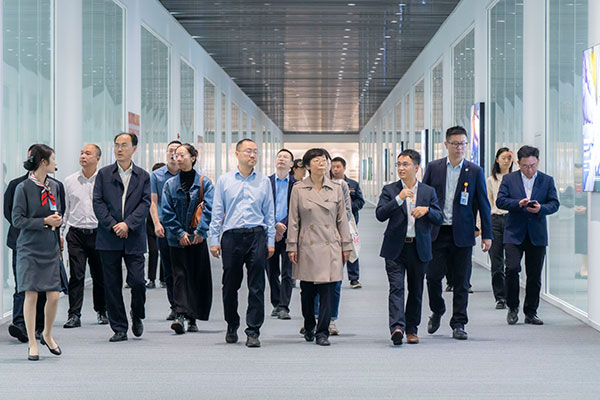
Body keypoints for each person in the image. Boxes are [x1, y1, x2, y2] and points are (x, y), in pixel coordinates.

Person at [422, 126, 492, 340]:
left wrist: (487, 234)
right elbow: (423, 197)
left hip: (462, 233)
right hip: (437, 232)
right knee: (433, 277)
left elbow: (483, 204)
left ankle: (459, 323)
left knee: (462, 281)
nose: (460, 147)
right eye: (455, 144)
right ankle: (437, 309)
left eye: (463, 144)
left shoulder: (475, 171)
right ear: (446, 144)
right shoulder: (434, 168)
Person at [209, 139, 275, 348]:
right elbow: (217, 211)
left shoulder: (263, 181)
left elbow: (269, 213)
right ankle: (232, 324)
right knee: (230, 285)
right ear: (237, 154)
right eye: (248, 151)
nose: (253, 155)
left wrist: (270, 240)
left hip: (257, 235)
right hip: (232, 237)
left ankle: (253, 331)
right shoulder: (224, 180)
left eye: (255, 151)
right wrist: (214, 239)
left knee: (257, 286)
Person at [376, 149, 443, 345]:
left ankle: (412, 329)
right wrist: (399, 199)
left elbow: (439, 217)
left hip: (419, 247)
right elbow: (380, 214)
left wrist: (427, 210)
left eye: (405, 164)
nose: (401, 168)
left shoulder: (428, 191)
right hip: (395, 248)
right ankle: (397, 328)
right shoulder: (390, 190)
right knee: (396, 288)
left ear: (416, 167)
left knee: (416, 290)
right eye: (398, 164)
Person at [287, 148, 352, 346]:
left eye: (324, 159)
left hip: (330, 243)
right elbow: (294, 220)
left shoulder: (336, 188)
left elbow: (342, 219)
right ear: (307, 166)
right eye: (316, 160)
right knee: (307, 290)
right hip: (307, 243)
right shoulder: (299, 189)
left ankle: (322, 332)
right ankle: (309, 325)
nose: (321, 163)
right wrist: (292, 245)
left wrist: (346, 245)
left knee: (328, 290)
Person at [4, 145, 65, 343]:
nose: (56, 162)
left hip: (49, 244)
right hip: (25, 244)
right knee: (25, 287)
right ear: (42, 161)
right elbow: (13, 216)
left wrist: (56, 225)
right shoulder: (19, 186)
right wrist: (43, 222)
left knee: (50, 292)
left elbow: (60, 210)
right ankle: (21, 325)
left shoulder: (55, 186)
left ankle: (42, 329)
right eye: (53, 158)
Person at [93, 132, 151, 342]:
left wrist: (128, 224)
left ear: (134, 149)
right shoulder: (104, 174)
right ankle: (119, 327)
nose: (119, 149)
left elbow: (145, 203)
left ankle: (137, 313)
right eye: (117, 145)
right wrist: (113, 225)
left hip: (134, 237)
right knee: (112, 284)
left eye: (124, 145)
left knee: (138, 282)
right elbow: (98, 202)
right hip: (109, 237)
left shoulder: (143, 176)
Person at [496, 145, 560, 325]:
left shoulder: (547, 180)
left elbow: (554, 203)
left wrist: (541, 209)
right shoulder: (509, 179)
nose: (529, 169)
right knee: (512, 269)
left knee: (534, 275)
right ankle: (512, 307)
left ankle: (531, 312)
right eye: (525, 166)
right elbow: (500, 201)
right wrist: (517, 203)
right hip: (514, 233)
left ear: (537, 162)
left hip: (537, 234)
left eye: (532, 165)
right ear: (518, 163)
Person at [162, 144, 214, 334]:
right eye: (176, 155)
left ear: (193, 158)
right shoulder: (170, 185)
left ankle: (193, 317)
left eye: (182, 155)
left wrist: (201, 232)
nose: (178, 158)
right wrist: (179, 233)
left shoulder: (205, 183)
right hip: (176, 240)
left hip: (197, 238)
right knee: (179, 276)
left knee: (196, 276)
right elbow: (166, 211)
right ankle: (180, 314)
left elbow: (210, 209)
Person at [62, 144, 108, 328]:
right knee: (76, 275)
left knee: (100, 275)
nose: (83, 156)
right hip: (76, 234)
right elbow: (65, 210)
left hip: (99, 233)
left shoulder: (104, 180)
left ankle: (102, 311)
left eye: (88, 153)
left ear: (97, 158)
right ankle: (74, 314)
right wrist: (61, 233)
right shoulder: (70, 181)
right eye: (81, 153)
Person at [149, 140, 182, 319]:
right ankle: (174, 306)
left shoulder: (189, 174)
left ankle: (186, 306)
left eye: (177, 151)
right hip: (164, 226)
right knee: (168, 269)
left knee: (184, 268)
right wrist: (156, 223)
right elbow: (153, 202)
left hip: (184, 228)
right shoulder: (157, 176)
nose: (173, 154)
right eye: (170, 150)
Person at [267, 149, 297, 320]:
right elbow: (262, 207)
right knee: (271, 271)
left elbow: (296, 209)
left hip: (289, 232)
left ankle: (284, 306)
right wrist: (274, 225)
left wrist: (282, 226)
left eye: (286, 157)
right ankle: (276, 303)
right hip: (269, 232)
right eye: (279, 156)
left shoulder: (297, 185)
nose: (281, 159)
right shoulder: (266, 182)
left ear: (291, 164)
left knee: (287, 271)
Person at [486, 147, 514, 309]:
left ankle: (511, 296)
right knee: (496, 262)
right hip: (495, 220)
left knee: (511, 262)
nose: (506, 161)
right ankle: (500, 297)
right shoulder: (491, 180)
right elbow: (487, 204)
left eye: (509, 158)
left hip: (512, 220)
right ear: (497, 159)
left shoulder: (516, 179)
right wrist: (481, 226)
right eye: (503, 158)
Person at [331, 156, 365, 289]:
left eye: (338, 167)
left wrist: (349, 207)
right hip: (332, 222)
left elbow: (360, 201)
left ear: (344, 168)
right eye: (333, 167)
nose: (335, 169)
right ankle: (333, 277)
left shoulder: (353, 184)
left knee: (351, 248)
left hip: (350, 222)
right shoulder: (328, 183)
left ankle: (354, 278)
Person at [146, 162, 165, 289]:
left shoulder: (168, 187)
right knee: (153, 251)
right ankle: (151, 279)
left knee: (164, 251)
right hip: (151, 222)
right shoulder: (150, 187)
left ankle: (163, 279)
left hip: (164, 221)